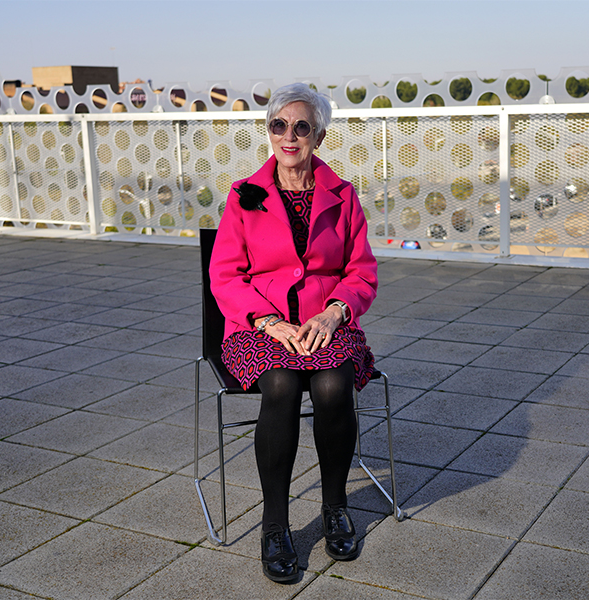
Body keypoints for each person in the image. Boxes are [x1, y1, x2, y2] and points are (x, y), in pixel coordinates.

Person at [209, 83, 377, 584]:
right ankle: (275, 526)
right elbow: (225, 275)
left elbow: (361, 272)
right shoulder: (244, 195)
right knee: (281, 385)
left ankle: (335, 508)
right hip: (259, 324)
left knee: (332, 385)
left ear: (318, 136)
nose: (289, 135)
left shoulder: (343, 196)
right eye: (278, 125)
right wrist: (268, 321)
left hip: (325, 321)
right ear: (269, 132)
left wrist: (335, 312)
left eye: (301, 126)